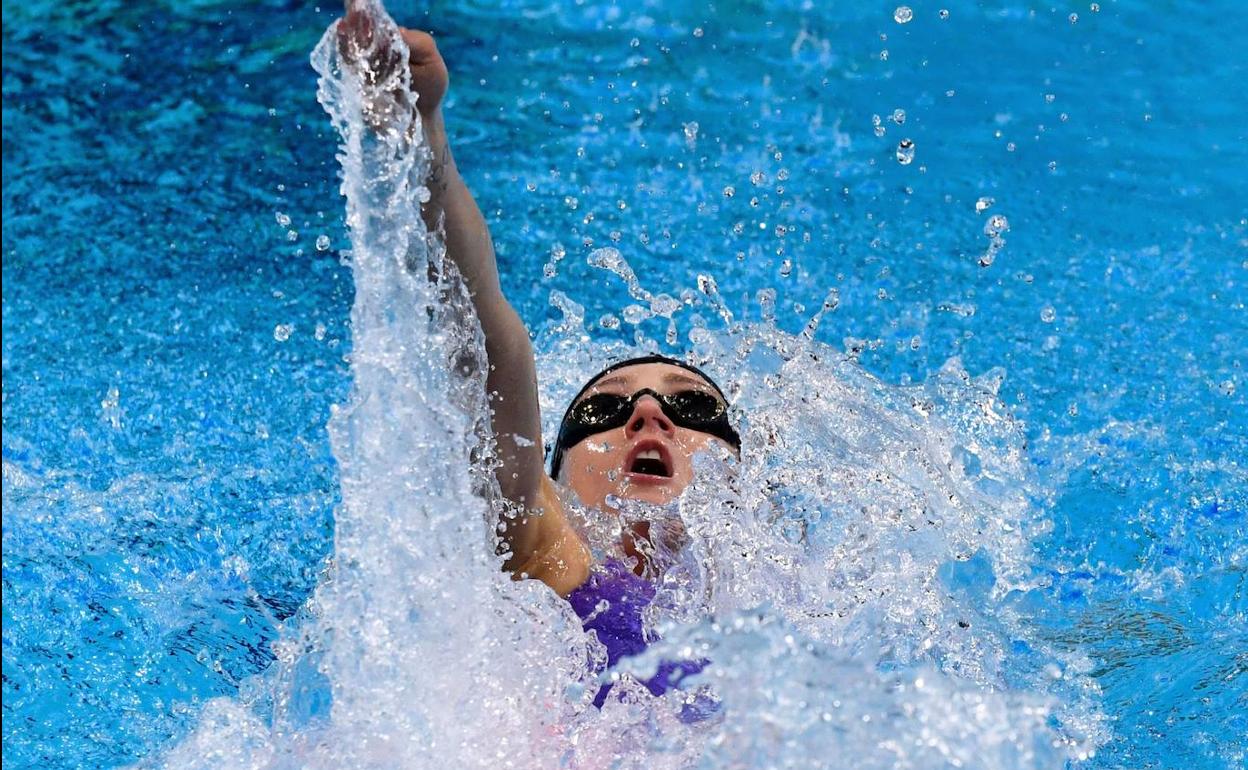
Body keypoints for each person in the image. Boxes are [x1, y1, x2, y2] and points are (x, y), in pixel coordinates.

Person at [336, 6, 740, 703]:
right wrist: (422, 134)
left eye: (691, 405)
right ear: (551, 479)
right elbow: (486, 342)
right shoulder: (554, 568)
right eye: (606, 411)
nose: (647, 412)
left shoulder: (827, 619)